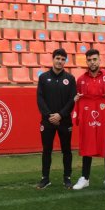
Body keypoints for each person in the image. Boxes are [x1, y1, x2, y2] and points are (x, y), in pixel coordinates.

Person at [72, 49, 105, 193]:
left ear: (100, 60)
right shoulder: (81, 80)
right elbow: (77, 97)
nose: (92, 62)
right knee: (87, 148)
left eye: (94, 59)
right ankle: (85, 178)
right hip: (88, 121)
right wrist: (76, 101)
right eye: (89, 60)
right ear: (86, 62)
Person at [36, 48, 77, 189]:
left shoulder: (70, 79)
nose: (60, 61)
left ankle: (67, 178)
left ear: (65, 61)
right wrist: (49, 116)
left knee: (67, 150)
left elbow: (72, 100)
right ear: (53, 59)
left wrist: (60, 115)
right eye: (57, 58)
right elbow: (40, 99)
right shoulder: (43, 77)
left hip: (64, 121)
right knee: (46, 150)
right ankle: (45, 178)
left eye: (62, 59)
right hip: (47, 121)